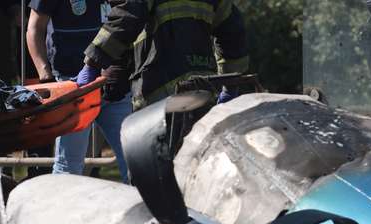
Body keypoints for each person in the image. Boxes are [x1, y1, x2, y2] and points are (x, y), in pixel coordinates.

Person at [27, 0, 132, 182]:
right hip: (74, 88)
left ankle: (145, 209)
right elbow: (34, 29)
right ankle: (59, 210)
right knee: (68, 167)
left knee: (133, 162)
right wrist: (46, 77)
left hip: (113, 85)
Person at [77, 0, 249, 110]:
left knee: (159, 161)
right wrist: (229, 84)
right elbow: (233, 32)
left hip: (159, 90)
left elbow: (127, 17)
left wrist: (92, 62)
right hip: (203, 87)